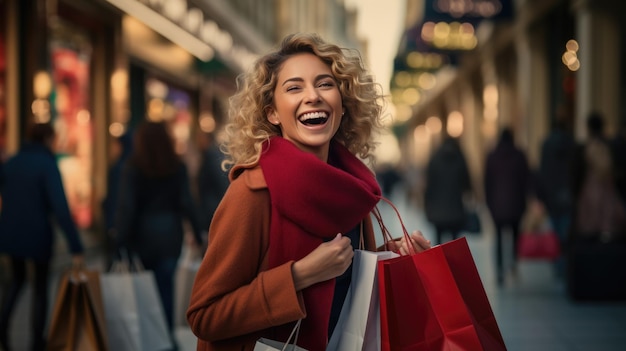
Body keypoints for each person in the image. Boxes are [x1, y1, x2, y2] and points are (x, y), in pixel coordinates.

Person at [186, 33, 431, 351]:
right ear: (273, 113)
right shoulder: (253, 192)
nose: (313, 96)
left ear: (342, 105)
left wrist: (392, 253)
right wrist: (298, 276)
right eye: (294, 87)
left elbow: (343, 279)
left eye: (325, 84)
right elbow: (205, 316)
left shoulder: (353, 190)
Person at [114, 120, 205, 350]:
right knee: (166, 288)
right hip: (169, 236)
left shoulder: (133, 167)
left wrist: (120, 240)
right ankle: (165, 338)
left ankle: (146, 339)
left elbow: (127, 207)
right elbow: (187, 202)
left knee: (142, 290)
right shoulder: (177, 166)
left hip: (142, 237)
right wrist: (197, 233)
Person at [0, 122, 85, 351]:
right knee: (39, 287)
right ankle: (36, 342)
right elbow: (60, 208)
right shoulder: (47, 165)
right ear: (48, 139)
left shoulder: (13, 162)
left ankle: (3, 330)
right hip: (38, 235)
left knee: (15, 282)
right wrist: (76, 245)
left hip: (10, 233)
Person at [484, 128, 531, 286]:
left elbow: (487, 182)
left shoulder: (492, 156)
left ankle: (499, 271)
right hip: (516, 204)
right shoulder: (519, 156)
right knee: (515, 235)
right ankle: (513, 264)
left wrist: (488, 202)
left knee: (498, 238)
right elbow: (526, 180)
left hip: (497, 205)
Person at [570, 112, 626, 241]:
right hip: (608, 201)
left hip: (588, 202)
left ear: (588, 128)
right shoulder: (613, 147)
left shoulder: (583, 149)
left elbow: (575, 178)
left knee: (589, 238)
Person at [536, 111, 577, 277]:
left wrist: (541, 196)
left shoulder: (546, 145)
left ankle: (559, 266)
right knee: (565, 234)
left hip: (552, 197)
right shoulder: (572, 144)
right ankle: (565, 265)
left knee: (555, 232)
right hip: (567, 196)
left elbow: (542, 172)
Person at [424, 136, 473, 244]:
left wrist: (427, 206)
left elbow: (428, 186)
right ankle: (452, 261)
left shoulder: (434, 159)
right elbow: (467, 184)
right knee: (454, 242)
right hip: (455, 209)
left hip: (438, 210)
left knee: (438, 242)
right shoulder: (460, 159)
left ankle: (440, 261)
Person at [196, 130, 229, 233]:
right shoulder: (210, 156)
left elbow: (221, 184)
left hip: (213, 209)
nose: (198, 143)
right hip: (213, 208)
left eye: (200, 139)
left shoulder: (211, 157)